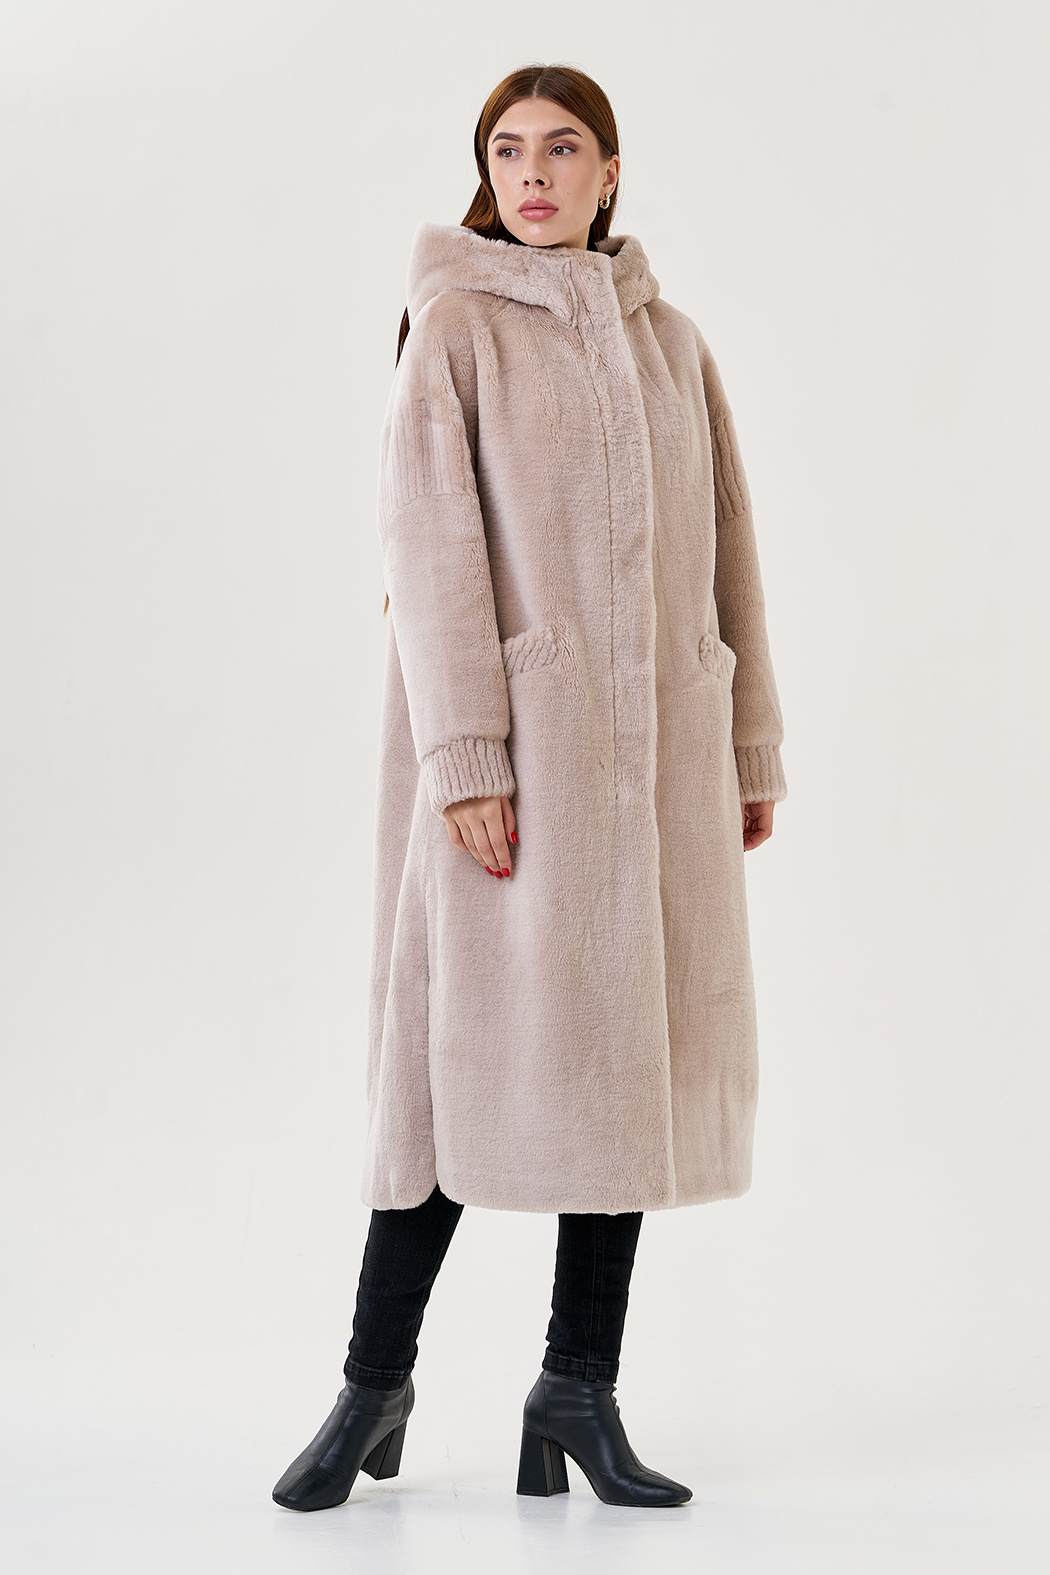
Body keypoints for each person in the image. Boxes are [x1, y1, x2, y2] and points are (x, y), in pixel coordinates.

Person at [272, 61, 787, 1514]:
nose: (536, 174)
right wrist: (468, 760)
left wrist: (746, 738)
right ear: (486, 173)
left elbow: (730, 545)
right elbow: (428, 549)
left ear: (610, 173)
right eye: (509, 150)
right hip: (515, 766)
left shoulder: (671, 342)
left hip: (660, 763)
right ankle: (373, 1383)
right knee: (455, 1075)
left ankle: (577, 1389)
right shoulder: (455, 330)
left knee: (622, 1073)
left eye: (564, 149)